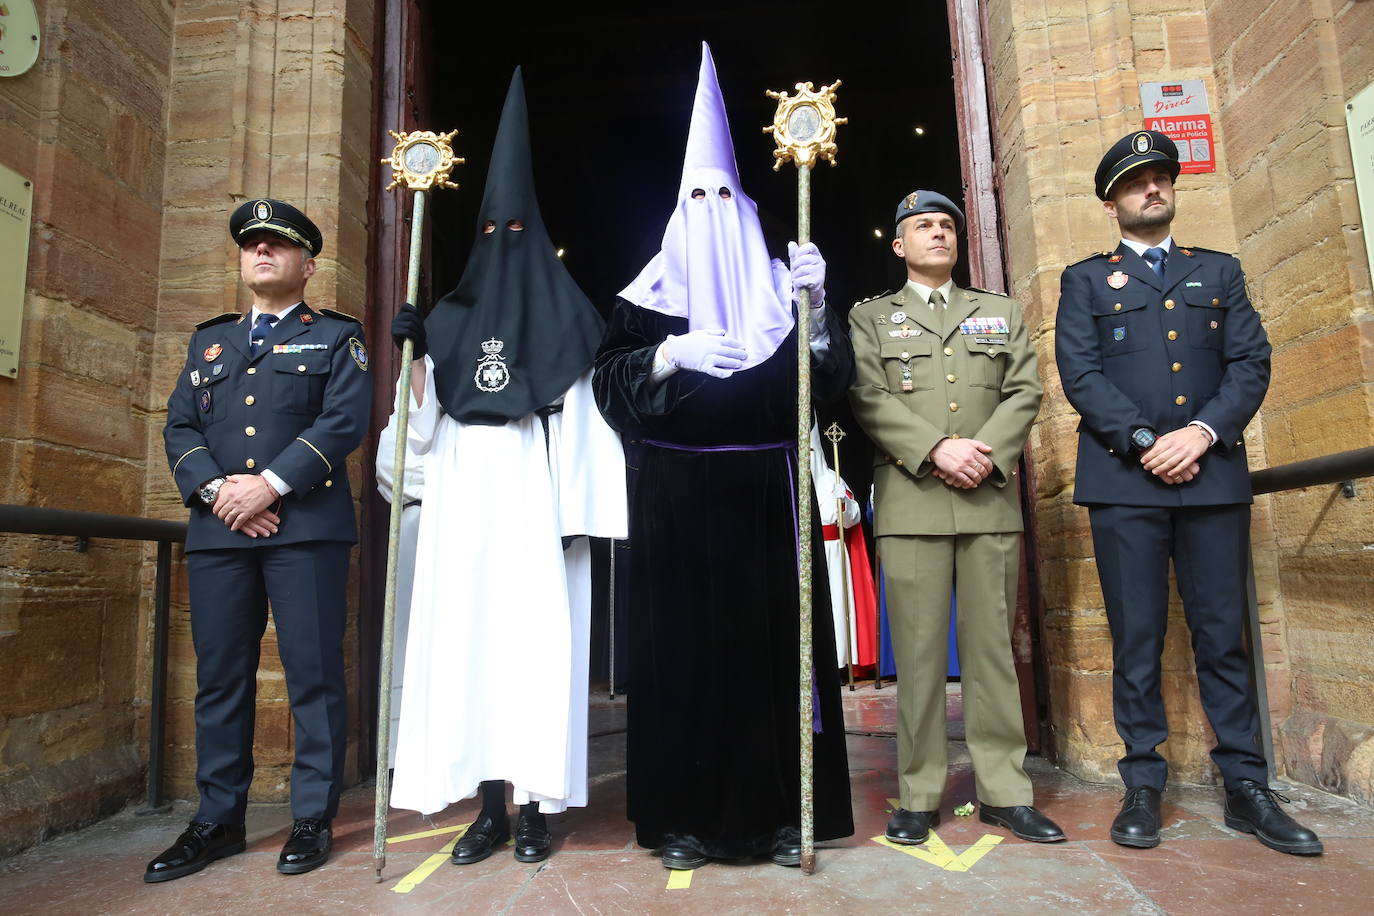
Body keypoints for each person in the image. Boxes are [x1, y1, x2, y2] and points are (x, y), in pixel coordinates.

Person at [592, 43, 854, 871]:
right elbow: (606, 390)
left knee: (772, 656)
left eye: (721, 194)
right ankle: (684, 818)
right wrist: (665, 359)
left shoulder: (781, 288)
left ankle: (782, 815)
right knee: (683, 661)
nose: (708, 208)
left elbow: (831, 390)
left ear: (742, 201)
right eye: (693, 196)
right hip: (674, 497)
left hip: (764, 490)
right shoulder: (643, 300)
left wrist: (815, 311)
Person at [1055, 130, 1321, 855]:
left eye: (1161, 178)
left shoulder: (1219, 272)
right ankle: (1143, 783)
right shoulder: (1084, 280)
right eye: (1137, 181)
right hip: (1124, 482)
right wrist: (1146, 443)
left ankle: (1246, 786)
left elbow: (1250, 362)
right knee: (1137, 639)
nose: (1153, 188)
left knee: (1222, 639)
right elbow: (1080, 376)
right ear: (1112, 201)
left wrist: (1201, 434)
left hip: (1212, 479)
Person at [386, 69, 627, 866]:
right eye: (492, 232)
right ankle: (486, 806)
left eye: (516, 231)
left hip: (532, 498)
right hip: (461, 502)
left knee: (530, 655)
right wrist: (417, 366)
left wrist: (572, 514)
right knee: (470, 652)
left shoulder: (565, 321)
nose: (503, 246)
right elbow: (415, 443)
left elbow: (585, 429)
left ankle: (532, 809)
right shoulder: (446, 323)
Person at [152, 199, 372, 882]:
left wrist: (269, 487)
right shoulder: (207, 340)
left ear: (308, 264)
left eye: (277, 245)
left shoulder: (338, 336)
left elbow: (343, 422)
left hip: (304, 531)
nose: (261, 253)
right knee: (219, 681)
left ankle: (311, 816)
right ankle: (217, 819)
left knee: (311, 675)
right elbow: (180, 427)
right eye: (251, 245)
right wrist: (223, 495)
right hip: (220, 532)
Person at [848, 190, 1062, 845]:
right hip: (912, 506)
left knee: (992, 652)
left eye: (946, 225)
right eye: (922, 226)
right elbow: (864, 393)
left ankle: (1004, 790)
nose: (937, 234)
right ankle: (918, 792)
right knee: (915, 658)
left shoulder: (995, 312)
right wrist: (935, 448)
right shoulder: (871, 319)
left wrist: (986, 453)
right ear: (898, 244)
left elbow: (1026, 387)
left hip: (987, 500)